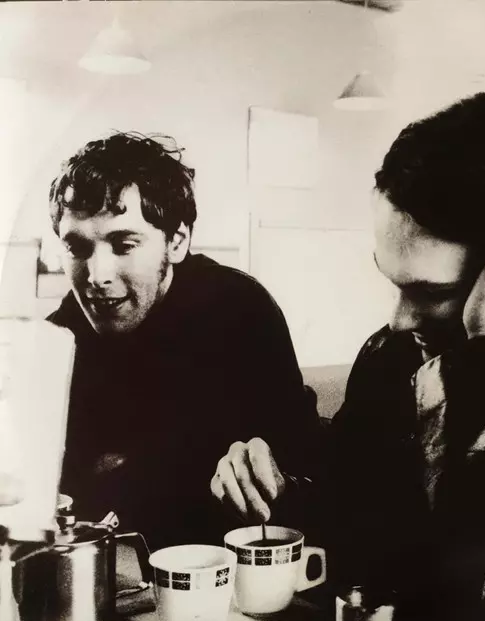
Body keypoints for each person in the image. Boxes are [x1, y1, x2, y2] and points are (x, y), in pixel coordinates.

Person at [211, 92, 485, 621]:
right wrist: (282, 497)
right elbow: (371, 536)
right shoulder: (394, 354)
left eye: (432, 293)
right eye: (393, 282)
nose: (398, 320)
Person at [46, 131, 320, 550]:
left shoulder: (240, 311)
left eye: (123, 245)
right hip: (112, 563)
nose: (96, 276)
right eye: (78, 248)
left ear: (177, 241)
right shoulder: (60, 335)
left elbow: (302, 467)